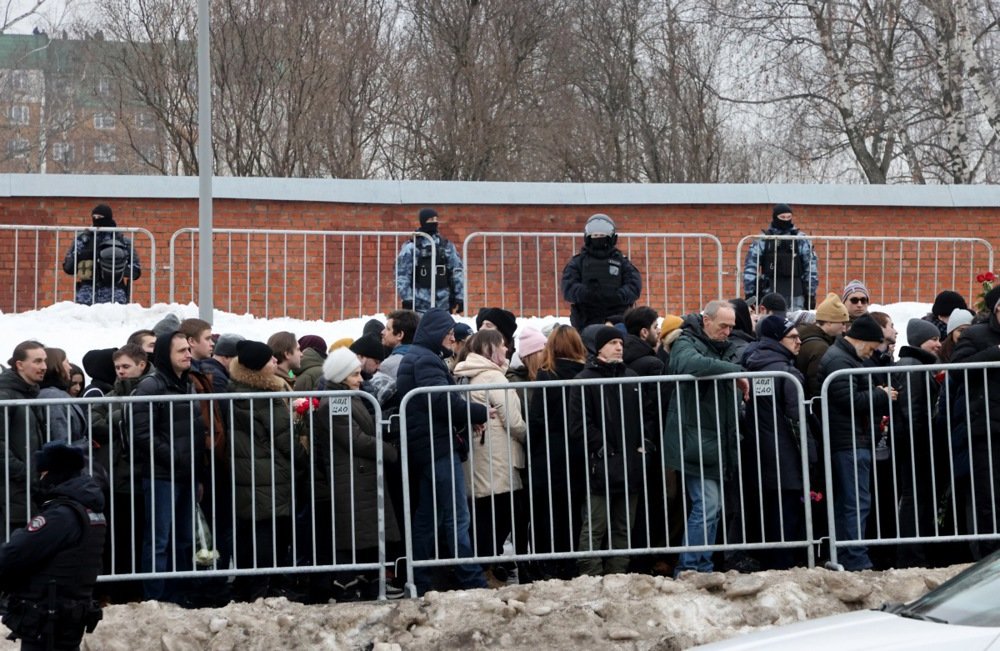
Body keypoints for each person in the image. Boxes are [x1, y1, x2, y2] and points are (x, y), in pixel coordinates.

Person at [395, 308, 489, 595]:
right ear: (437, 332)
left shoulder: (420, 357)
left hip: (427, 446)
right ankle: (471, 578)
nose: (452, 338)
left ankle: (420, 579)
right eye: (449, 333)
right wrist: (478, 412)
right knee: (457, 516)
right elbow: (440, 401)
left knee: (429, 516)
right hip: (435, 447)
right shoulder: (426, 359)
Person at [305, 348, 401, 601]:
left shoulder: (351, 396)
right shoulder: (334, 401)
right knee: (353, 538)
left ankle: (367, 585)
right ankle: (346, 589)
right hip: (351, 479)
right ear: (341, 375)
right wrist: (388, 450)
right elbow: (354, 439)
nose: (361, 379)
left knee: (366, 537)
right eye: (355, 374)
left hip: (361, 477)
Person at [663, 301, 748, 575]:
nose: (727, 332)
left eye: (731, 327)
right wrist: (735, 372)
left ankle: (702, 565)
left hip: (713, 440)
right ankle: (689, 567)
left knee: (713, 507)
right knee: (707, 505)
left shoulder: (720, 348)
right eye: (722, 325)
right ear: (705, 321)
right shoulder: (685, 342)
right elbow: (691, 364)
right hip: (694, 440)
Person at [0, 442, 105, 651]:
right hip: (65, 620)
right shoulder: (90, 511)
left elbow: (15, 554)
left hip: (48, 621)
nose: (40, 479)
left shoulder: (61, 516)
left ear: (55, 472)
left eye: (43, 473)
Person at [131, 330, 207, 602]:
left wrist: (196, 470)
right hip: (162, 475)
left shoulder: (187, 384)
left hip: (186, 474)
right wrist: (174, 458)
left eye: (188, 349)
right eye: (181, 351)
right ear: (166, 355)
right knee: (159, 540)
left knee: (184, 538)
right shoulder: (151, 386)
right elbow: (141, 433)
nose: (188, 354)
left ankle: (179, 593)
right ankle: (155, 598)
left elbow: (194, 432)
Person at [817, 314, 895, 571]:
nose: (870, 354)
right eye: (871, 348)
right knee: (856, 501)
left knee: (851, 501)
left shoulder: (842, 357)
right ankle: (855, 557)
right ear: (861, 341)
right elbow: (849, 400)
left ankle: (848, 554)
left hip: (850, 439)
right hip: (848, 440)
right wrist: (880, 395)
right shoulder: (840, 359)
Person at [228, 340, 303, 601]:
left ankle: (250, 586)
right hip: (270, 474)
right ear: (260, 367)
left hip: (247, 474)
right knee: (271, 534)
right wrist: (303, 457)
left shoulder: (235, 388)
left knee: (250, 533)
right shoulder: (266, 396)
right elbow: (285, 439)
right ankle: (267, 587)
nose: (275, 363)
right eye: (270, 360)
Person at [571, 326, 645, 576]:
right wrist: (601, 447)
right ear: (599, 347)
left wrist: (645, 444)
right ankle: (589, 574)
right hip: (599, 464)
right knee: (595, 524)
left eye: (620, 342)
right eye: (613, 342)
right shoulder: (585, 380)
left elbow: (648, 415)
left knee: (624, 525)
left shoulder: (631, 378)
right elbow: (579, 424)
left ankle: (618, 575)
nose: (619, 347)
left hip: (630, 461)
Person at [743, 315, 810, 569]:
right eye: (792, 337)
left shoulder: (755, 365)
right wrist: (810, 454)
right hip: (785, 455)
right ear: (776, 340)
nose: (799, 341)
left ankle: (774, 563)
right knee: (786, 514)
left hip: (761, 453)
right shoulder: (786, 372)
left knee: (771, 513)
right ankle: (783, 567)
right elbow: (796, 419)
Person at [526, 325, 587, 579]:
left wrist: (532, 447)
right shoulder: (586, 374)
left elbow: (537, 416)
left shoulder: (547, 374)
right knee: (573, 510)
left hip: (548, 451)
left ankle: (546, 564)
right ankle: (570, 563)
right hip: (578, 449)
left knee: (545, 512)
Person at [950, 285, 1000, 555]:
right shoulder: (977, 335)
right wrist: (994, 354)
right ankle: (990, 554)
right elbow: (957, 369)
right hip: (987, 428)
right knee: (989, 496)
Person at [894, 318, 944, 568]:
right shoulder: (913, 365)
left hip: (919, 441)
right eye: (933, 339)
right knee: (914, 497)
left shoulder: (921, 363)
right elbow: (912, 408)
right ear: (918, 341)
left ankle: (918, 551)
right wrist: (918, 441)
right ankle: (912, 555)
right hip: (915, 443)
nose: (938, 343)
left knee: (920, 497)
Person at [561, 214, 642, 330]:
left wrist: (617, 296)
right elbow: (568, 286)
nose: (598, 238)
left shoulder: (621, 262)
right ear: (588, 237)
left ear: (611, 237)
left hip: (617, 319)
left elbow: (634, 286)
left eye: (602, 235)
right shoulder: (578, 262)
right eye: (595, 235)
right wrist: (587, 293)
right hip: (586, 320)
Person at [0, 341, 47, 532]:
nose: (44, 367)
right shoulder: (5, 395)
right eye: (37, 361)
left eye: (44, 361)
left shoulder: (30, 394)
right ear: (19, 364)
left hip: (27, 489)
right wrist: (26, 472)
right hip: (11, 490)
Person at [61, 203, 141, 305]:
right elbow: (68, 268)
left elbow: (136, 271)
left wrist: (116, 268)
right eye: (94, 217)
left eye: (100, 217)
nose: (97, 219)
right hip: (87, 294)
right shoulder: (83, 240)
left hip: (114, 294)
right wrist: (82, 256)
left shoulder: (122, 241)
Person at [742, 203, 818, 310]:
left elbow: (810, 268)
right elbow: (751, 267)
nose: (786, 220)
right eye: (782, 217)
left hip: (796, 294)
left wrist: (811, 293)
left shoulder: (800, 239)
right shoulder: (764, 239)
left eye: (789, 217)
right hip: (769, 291)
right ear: (775, 217)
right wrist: (750, 293)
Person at [395, 208, 465, 314]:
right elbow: (402, 274)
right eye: (431, 219)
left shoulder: (445, 245)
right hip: (419, 304)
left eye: (436, 219)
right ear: (423, 221)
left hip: (443, 302)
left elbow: (457, 270)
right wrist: (407, 298)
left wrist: (459, 296)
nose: (434, 222)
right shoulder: (412, 247)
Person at [795, 293, 850, 398]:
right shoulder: (821, 349)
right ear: (829, 322)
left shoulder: (804, 335)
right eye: (842, 323)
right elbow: (817, 387)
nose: (844, 328)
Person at [37, 348, 87, 443]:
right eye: (66, 362)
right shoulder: (52, 397)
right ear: (57, 366)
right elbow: (60, 437)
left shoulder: (55, 394)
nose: (70, 367)